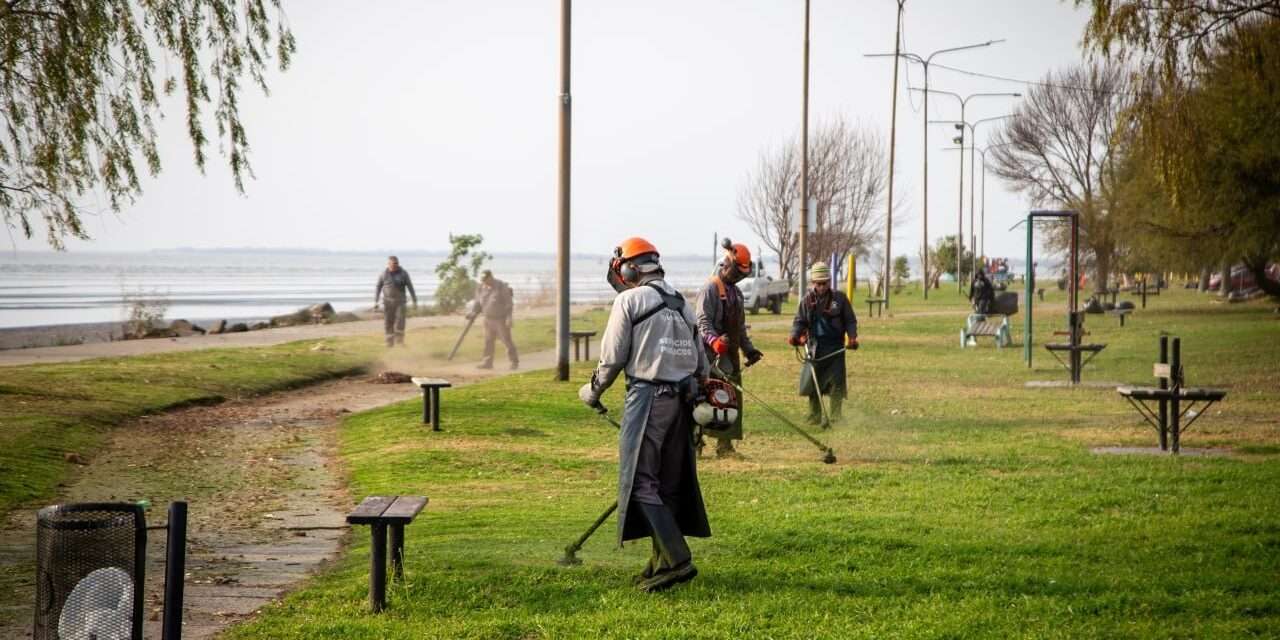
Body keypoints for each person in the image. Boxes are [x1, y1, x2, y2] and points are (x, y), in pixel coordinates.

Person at [578, 237, 710, 593]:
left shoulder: (629, 300)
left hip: (647, 398)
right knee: (666, 485)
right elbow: (703, 364)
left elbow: (612, 359)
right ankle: (659, 563)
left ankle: (678, 561)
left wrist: (592, 392)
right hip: (683, 403)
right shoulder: (683, 304)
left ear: (629, 268)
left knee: (639, 482)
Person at [694, 239, 764, 458]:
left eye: (741, 275)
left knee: (731, 400)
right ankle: (695, 444)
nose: (737, 277)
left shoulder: (737, 294)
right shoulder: (710, 289)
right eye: (736, 272)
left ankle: (725, 446)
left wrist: (749, 350)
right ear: (726, 265)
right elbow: (702, 322)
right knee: (705, 400)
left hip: (730, 357)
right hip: (708, 357)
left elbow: (740, 328)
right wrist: (714, 341)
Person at [788, 262, 858, 425]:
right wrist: (794, 335)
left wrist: (852, 337)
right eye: (818, 283)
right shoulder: (806, 301)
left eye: (824, 283)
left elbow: (850, 320)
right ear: (813, 283)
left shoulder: (840, 299)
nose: (821, 287)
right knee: (814, 382)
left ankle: (835, 416)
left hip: (835, 348)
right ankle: (814, 415)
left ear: (829, 281)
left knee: (836, 383)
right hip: (814, 348)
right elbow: (799, 321)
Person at [469, 270, 518, 370]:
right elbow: (477, 302)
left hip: (501, 319)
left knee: (506, 341)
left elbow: (509, 304)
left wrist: (509, 318)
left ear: (490, 277)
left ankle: (514, 362)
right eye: (482, 280)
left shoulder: (501, 286)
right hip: (487, 319)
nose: (484, 282)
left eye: (485, 279)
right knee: (488, 341)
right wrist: (473, 312)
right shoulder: (481, 287)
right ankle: (487, 363)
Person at [374, 256, 417, 347]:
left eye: (397, 263)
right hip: (388, 302)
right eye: (393, 264)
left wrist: (414, 301)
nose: (395, 265)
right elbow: (378, 287)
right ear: (389, 264)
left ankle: (400, 341)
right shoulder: (383, 274)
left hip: (400, 302)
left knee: (400, 321)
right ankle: (389, 342)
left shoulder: (404, 274)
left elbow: (410, 287)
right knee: (388, 322)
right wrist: (376, 301)